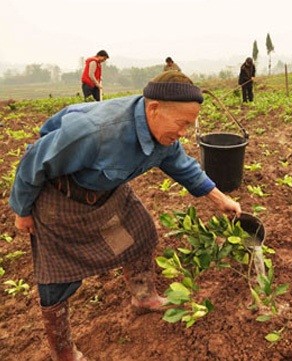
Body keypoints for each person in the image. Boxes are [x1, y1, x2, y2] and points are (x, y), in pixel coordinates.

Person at [9, 70, 242, 360]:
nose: (184, 132)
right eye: (182, 123)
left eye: (190, 125)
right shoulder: (95, 130)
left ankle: (143, 297)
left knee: (141, 234)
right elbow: (34, 162)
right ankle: (63, 349)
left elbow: (182, 165)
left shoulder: (163, 138)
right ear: (154, 109)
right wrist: (22, 210)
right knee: (58, 278)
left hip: (107, 194)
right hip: (61, 197)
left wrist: (219, 198)